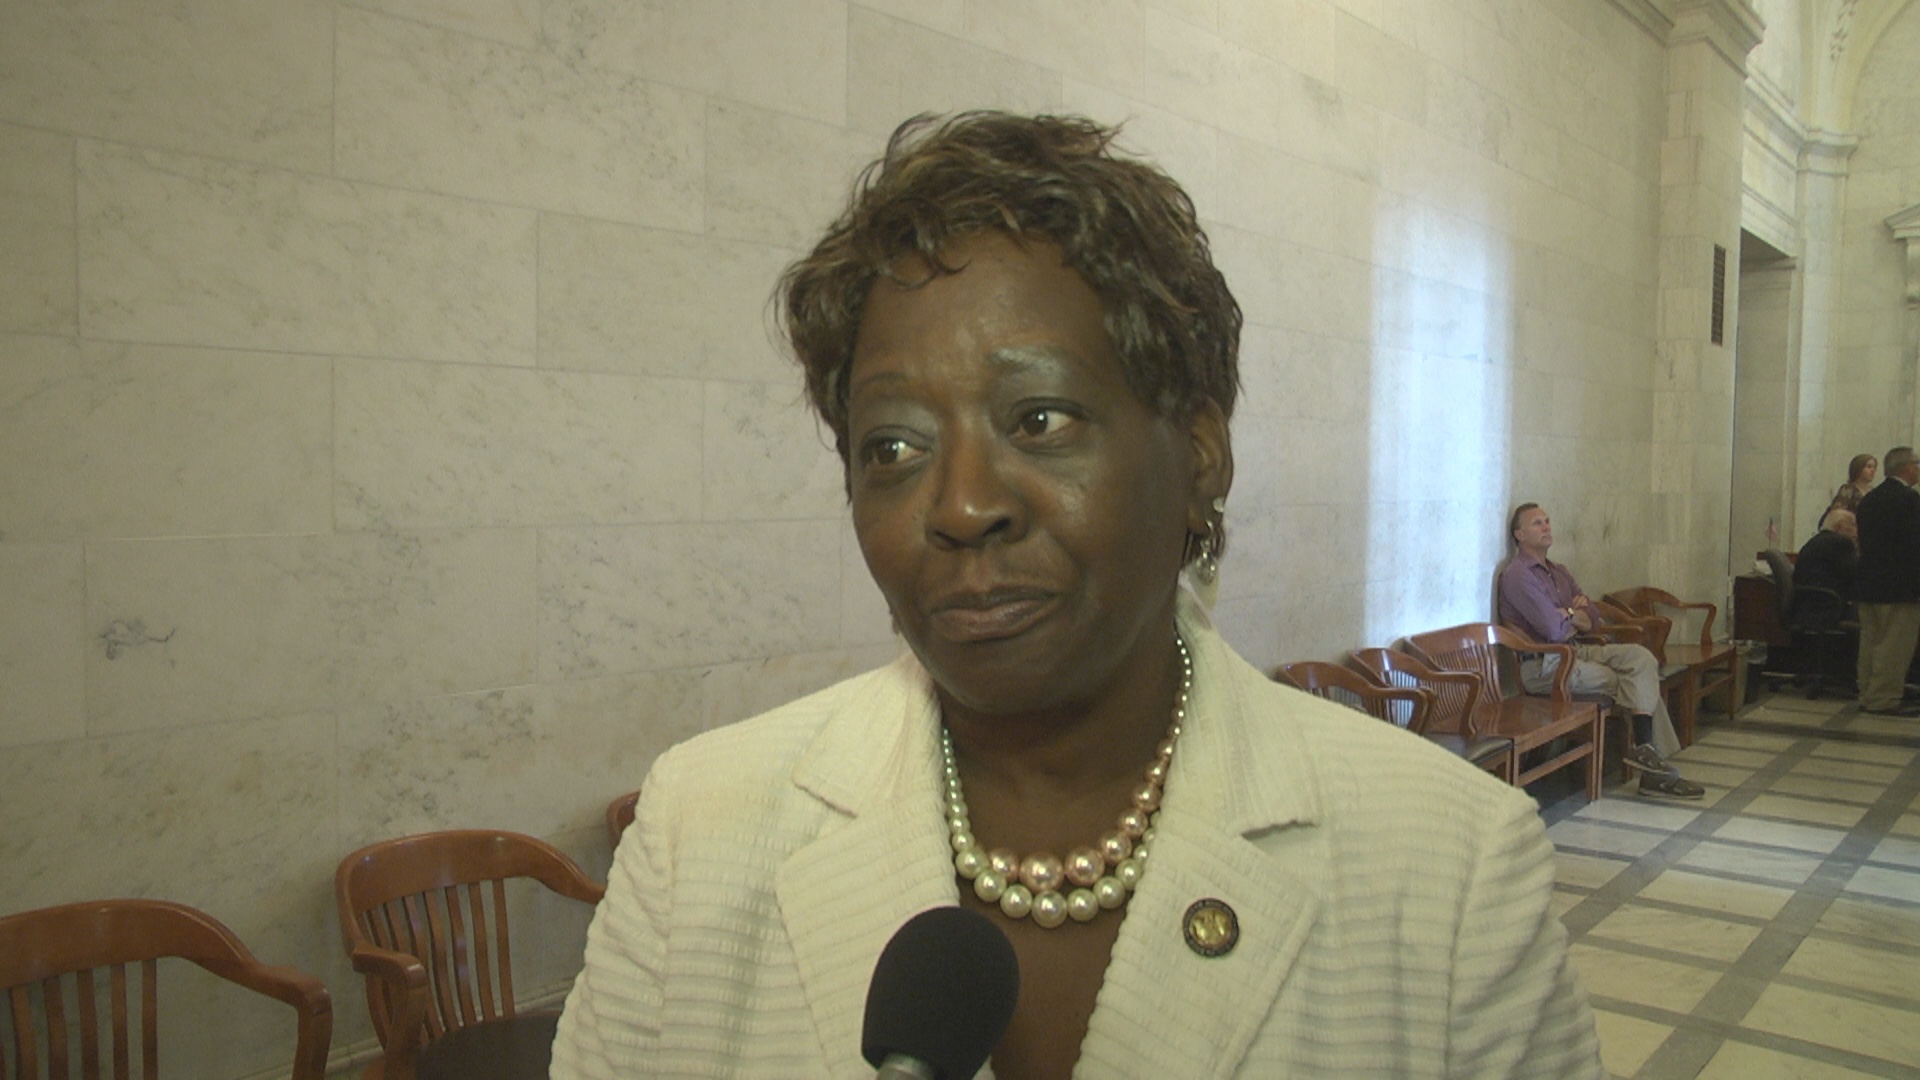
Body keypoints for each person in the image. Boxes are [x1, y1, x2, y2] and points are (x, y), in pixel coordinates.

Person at [551, 113, 1601, 1079]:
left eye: (1041, 420)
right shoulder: (699, 830)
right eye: (894, 446)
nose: (961, 506)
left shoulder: (1451, 869)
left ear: (1199, 453)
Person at [1498, 504, 1705, 800]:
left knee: (1641, 659)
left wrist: (1570, 614)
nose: (1546, 527)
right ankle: (1654, 768)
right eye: (1537, 523)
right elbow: (1553, 629)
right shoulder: (1517, 575)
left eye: (1547, 521)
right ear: (1519, 535)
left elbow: (1593, 618)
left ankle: (1647, 755)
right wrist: (1574, 613)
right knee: (1631, 681)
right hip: (1544, 665)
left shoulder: (1558, 572)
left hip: (1575, 650)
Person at [1853, 446, 1920, 716]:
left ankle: (1866, 693)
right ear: (1908, 468)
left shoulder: (1870, 499)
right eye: (1917, 464)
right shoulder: (1909, 500)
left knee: (1870, 643)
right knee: (1894, 646)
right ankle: (1884, 699)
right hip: (1899, 587)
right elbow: (1914, 547)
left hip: (1868, 584)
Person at [1794, 508, 1858, 613]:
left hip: (1806, 608)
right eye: (1853, 525)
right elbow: (1857, 575)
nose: (1857, 532)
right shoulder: (1841, 543)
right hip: (1829, 607)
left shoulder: (1813, 542)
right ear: (1839, 527)